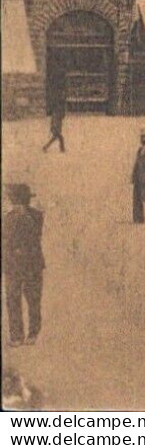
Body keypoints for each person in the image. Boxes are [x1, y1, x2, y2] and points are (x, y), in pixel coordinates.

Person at [3, 184, 44, 346]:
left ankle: (27, 334)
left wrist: (20, 215)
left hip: (25, 263)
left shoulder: (32, 216)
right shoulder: (12, 217)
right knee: (17, 298)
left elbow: (33, 234)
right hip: (19, 263)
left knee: (28, 299)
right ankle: (19, 335)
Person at [41, 89, 66, 154]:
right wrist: (54, 126)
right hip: (56, 126)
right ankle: (47, 147)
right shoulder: (57, 111)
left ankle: (61, 148)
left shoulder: (57, 110)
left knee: (57, 138)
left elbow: (58, 118)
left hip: (56, 126)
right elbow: (57, 119)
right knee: (59, 137)